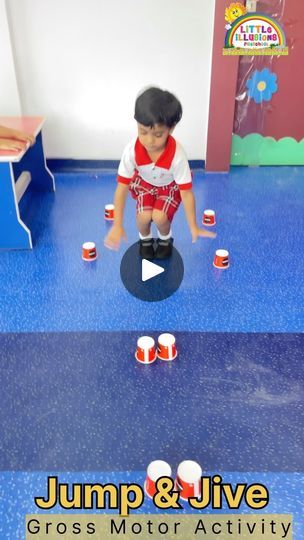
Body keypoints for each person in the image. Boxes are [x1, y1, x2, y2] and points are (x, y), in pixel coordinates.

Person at [104, 87, 216, 259]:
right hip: (144, 184)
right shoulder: (132, 151)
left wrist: (193, 226)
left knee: (160, 217)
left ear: (171, 129)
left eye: (157, 134)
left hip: (169, 186)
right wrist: (117, 225)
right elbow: (122, 188)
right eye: (143, 132)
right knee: (143, 217)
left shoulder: (177, 155)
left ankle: (165, 239)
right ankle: (145, 240)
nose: (149, 140)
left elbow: (186, 194)